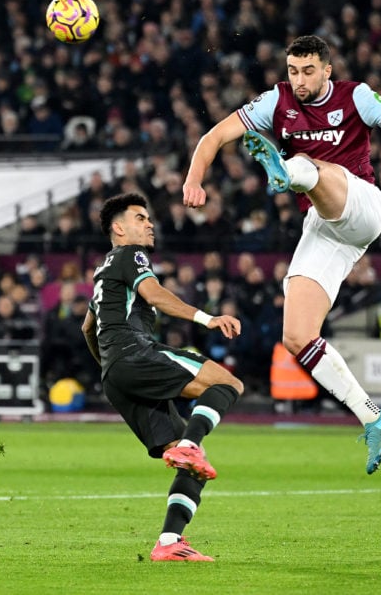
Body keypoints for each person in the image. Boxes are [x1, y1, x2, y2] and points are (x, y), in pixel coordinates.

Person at [183, 34, 381, 474]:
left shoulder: (354, 95)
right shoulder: (275, 101)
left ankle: (288, 170)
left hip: (361, 204)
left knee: (314, 169)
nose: (299, 79)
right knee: (297, 336)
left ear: (327, 70)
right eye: (293, 70)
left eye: (308, 70)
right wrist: (194, 179)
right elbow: (215, 134)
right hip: (323, 226)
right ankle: (374, 417)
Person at [82, 192, 244, 562]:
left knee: (193, 463)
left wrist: (111, 368)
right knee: (228, 383)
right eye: (140, 218)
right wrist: (208, 318)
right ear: (119, 229)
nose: (149, 223)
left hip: (115, 374)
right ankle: (189, 445)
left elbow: (88, 328)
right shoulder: (130, 256)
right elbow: (153, 294)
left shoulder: (102, 273)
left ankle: (169, 542)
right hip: (134, 351)